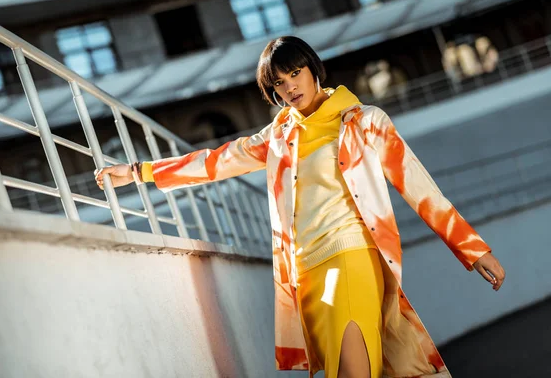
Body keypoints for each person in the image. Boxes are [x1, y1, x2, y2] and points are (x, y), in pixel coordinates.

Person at [94, 36, 505, 378]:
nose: (291, 86)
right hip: (305, 273)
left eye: (295, 73)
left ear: (312, 69)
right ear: (272, 92)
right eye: (279, 82)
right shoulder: (278, 137)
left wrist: (473, 249)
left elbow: (417, 184)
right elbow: (215, 161)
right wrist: (137, 171)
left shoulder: (364, 120)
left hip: (350, 255)